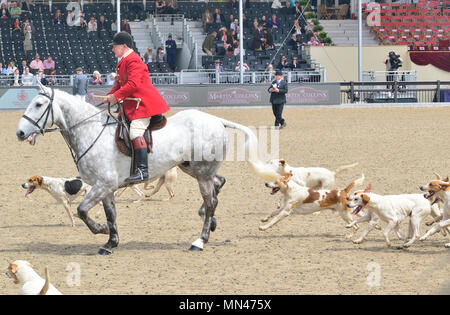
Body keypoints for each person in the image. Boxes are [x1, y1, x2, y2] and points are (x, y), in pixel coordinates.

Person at [104, 31, 170, 183]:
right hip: (133, 103)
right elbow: (119, 83)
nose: (113, 49)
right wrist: (109, 96)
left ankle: (142, 171)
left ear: (124, 46)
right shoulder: (124, 61)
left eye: (115, 46)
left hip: (144, 104)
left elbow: (133, 84)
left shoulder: (134, 61)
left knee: (135, 132)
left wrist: (116, 96)